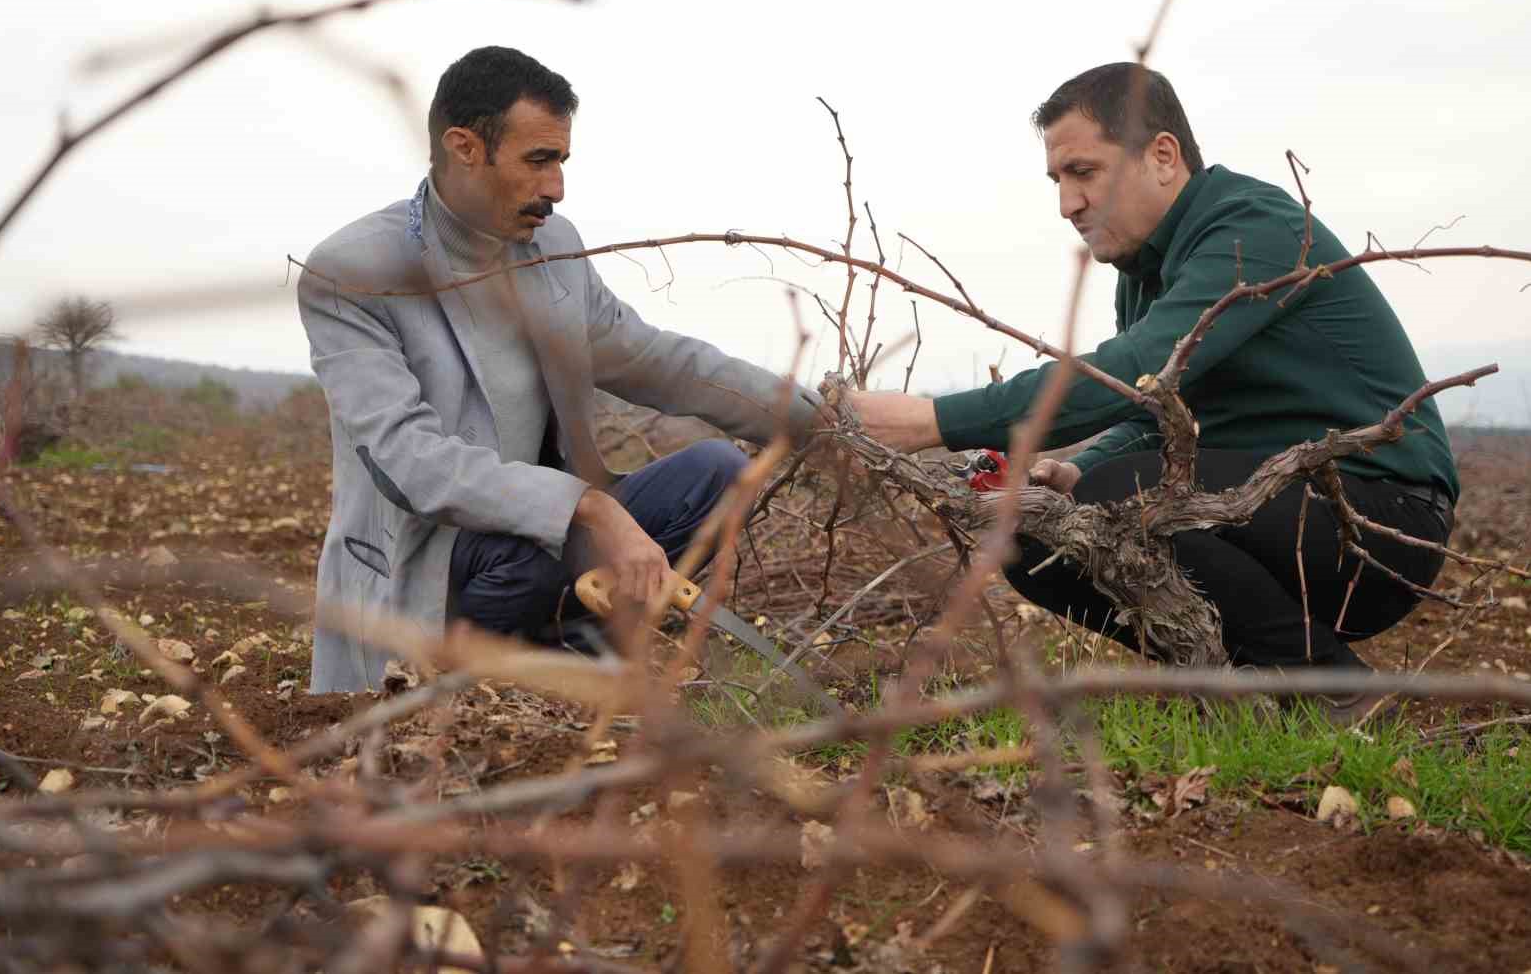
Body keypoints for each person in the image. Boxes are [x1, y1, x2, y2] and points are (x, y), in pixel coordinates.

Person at [849, 63, 1456, 719]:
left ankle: (1336, 697)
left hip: (1381, 521)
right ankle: (1240, 688)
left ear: (1163, 156)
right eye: (1057, 181)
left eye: (1084, 172)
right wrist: (1080, 466)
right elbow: (1159, 413)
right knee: (1028, 534)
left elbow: (1132, 369)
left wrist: (936, 420)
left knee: (1121, 497)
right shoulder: (1143, 271)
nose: (1067, 204)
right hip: (1272, 511)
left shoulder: (1252, 229)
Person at [298, 46, 818, 693]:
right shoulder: (353, 272)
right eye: (538, 161)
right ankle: (472, 691)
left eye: (562, 161)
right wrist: (588, 509)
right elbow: (411, 462)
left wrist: (819, 421)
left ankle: (576, 656)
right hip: (435, 552)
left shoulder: (555, 248)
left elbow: (655, 359)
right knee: (529, 558)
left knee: (715, 475)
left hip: (549, 535)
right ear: (464, 148)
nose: (557, 188)